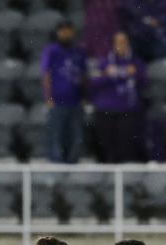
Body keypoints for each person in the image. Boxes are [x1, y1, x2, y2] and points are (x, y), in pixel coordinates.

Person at [89, 31, 147, 163]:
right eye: (119, 42)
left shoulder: (136, 62)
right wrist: (108, 75)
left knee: (126, 148)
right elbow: (93, 83)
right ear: (113, 45)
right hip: (106, 110)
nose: (122, 45)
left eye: (124, 42)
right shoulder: (104, 62)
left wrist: (134, 74)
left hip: (128, 111)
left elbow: (144, 82)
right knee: (107, 147)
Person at [41, 19, 87, 164]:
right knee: (57, 137)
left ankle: (73, 166)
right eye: (62, 30)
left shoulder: (79, 51)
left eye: (68, 29)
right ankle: (57, 168)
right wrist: (48, 97)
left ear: (72, 32)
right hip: (57, 101)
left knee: (76, 138)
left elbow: (83, 75)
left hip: (76, 101)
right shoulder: (51, 50)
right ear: (58, 32)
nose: (65, 32)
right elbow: (46, 73)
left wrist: (85, 96)